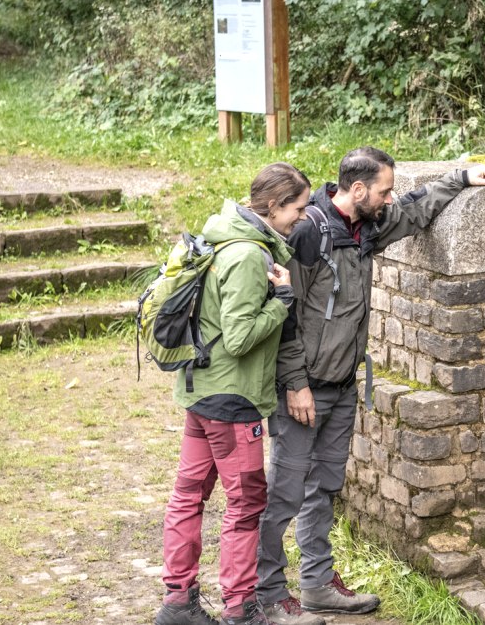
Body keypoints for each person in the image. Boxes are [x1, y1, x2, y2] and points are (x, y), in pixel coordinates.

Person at [256, 148, 485, 623]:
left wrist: (463, 177)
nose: (389, 198)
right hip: (303, 389)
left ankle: (318, 584)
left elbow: (416, 207)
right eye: (383, 190)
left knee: (323, 489)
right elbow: (284, 315)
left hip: (343, 385)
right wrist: (295, 384)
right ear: (358, 189)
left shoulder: (367, 226)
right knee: (284, 493)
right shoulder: (307, 232)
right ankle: (267, 593)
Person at [157, 163, 312, 625]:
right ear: (273, 206)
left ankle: (177, 601)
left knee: (188, 496)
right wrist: (281, 302)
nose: (302, 218)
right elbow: (241, 337)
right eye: (298, 209)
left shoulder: (221, 234)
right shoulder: (247, 255)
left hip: (199, 389)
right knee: (245, 504)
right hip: (232, 399)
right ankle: (240, 607)